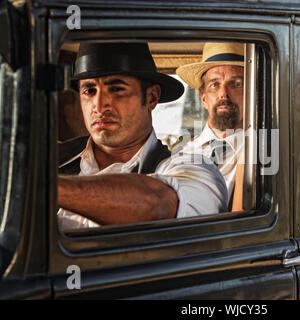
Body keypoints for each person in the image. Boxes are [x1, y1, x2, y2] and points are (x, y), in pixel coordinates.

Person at [58, 42, 228, 232]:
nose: (99, 105)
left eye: (116, 89)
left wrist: (43, 187)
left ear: (151, 98)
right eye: (89, 91)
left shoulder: (194, 169)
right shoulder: (51, 158)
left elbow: (157, 205)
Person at [176, 42, 245, 209]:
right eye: (214, 84)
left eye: (236, 84)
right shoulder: (182, 154)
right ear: (203, 98)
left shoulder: (265, 149)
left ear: (252, 91)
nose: (223, 93)